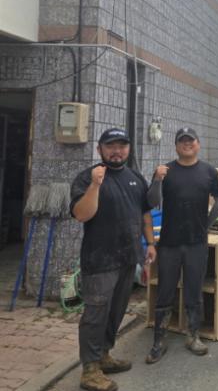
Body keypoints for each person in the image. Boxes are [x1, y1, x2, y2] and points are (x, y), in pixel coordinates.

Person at [71, 128, 156, 391]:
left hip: (128, 257)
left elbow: (144, 214)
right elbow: (82, 214)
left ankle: (104, 355)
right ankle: (90, 370)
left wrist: (150, 244)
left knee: (116, 311)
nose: (116, 151)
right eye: (110, 146)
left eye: (121, 146)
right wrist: (95, 185)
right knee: (96, 314)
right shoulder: (87, 178)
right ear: (100, 149)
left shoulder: (135, 178)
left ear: (128, 149)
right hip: (99, 260)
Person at [145, 127, 218, 363]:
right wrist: (157, 179)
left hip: (196, 243)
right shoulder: (166, 171)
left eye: (191, 140)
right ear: (176, 146)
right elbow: (152, 201)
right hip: (169, 242)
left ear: (198, 144)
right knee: (165, 290)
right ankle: (159, 340)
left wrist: (207, 224)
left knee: (194, 290)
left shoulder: (209, 171)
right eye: (182, 141)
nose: (187, 144)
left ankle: (193, 336)